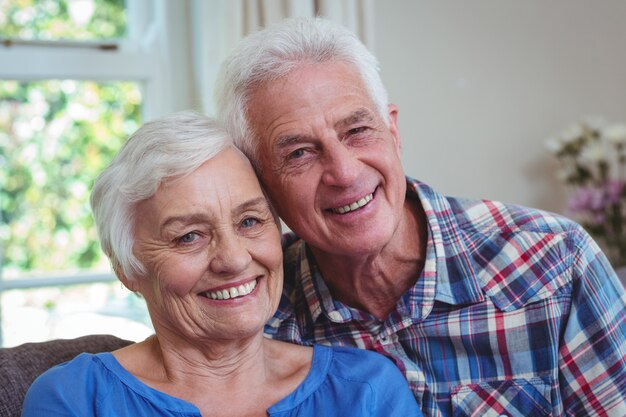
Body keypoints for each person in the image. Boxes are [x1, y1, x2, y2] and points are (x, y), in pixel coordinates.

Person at [215, 16, 626, 417]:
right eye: (299, 153)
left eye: (357, 130)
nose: (345, 172)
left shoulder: (554, 262)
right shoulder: (258, 316)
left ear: (393, 133)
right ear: (261, 184)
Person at [21, 111, 421, 417]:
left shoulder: (366, 390)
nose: (233, 259)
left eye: (249, 221)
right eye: (188, 236)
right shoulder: (75, 399)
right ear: (128, 269)